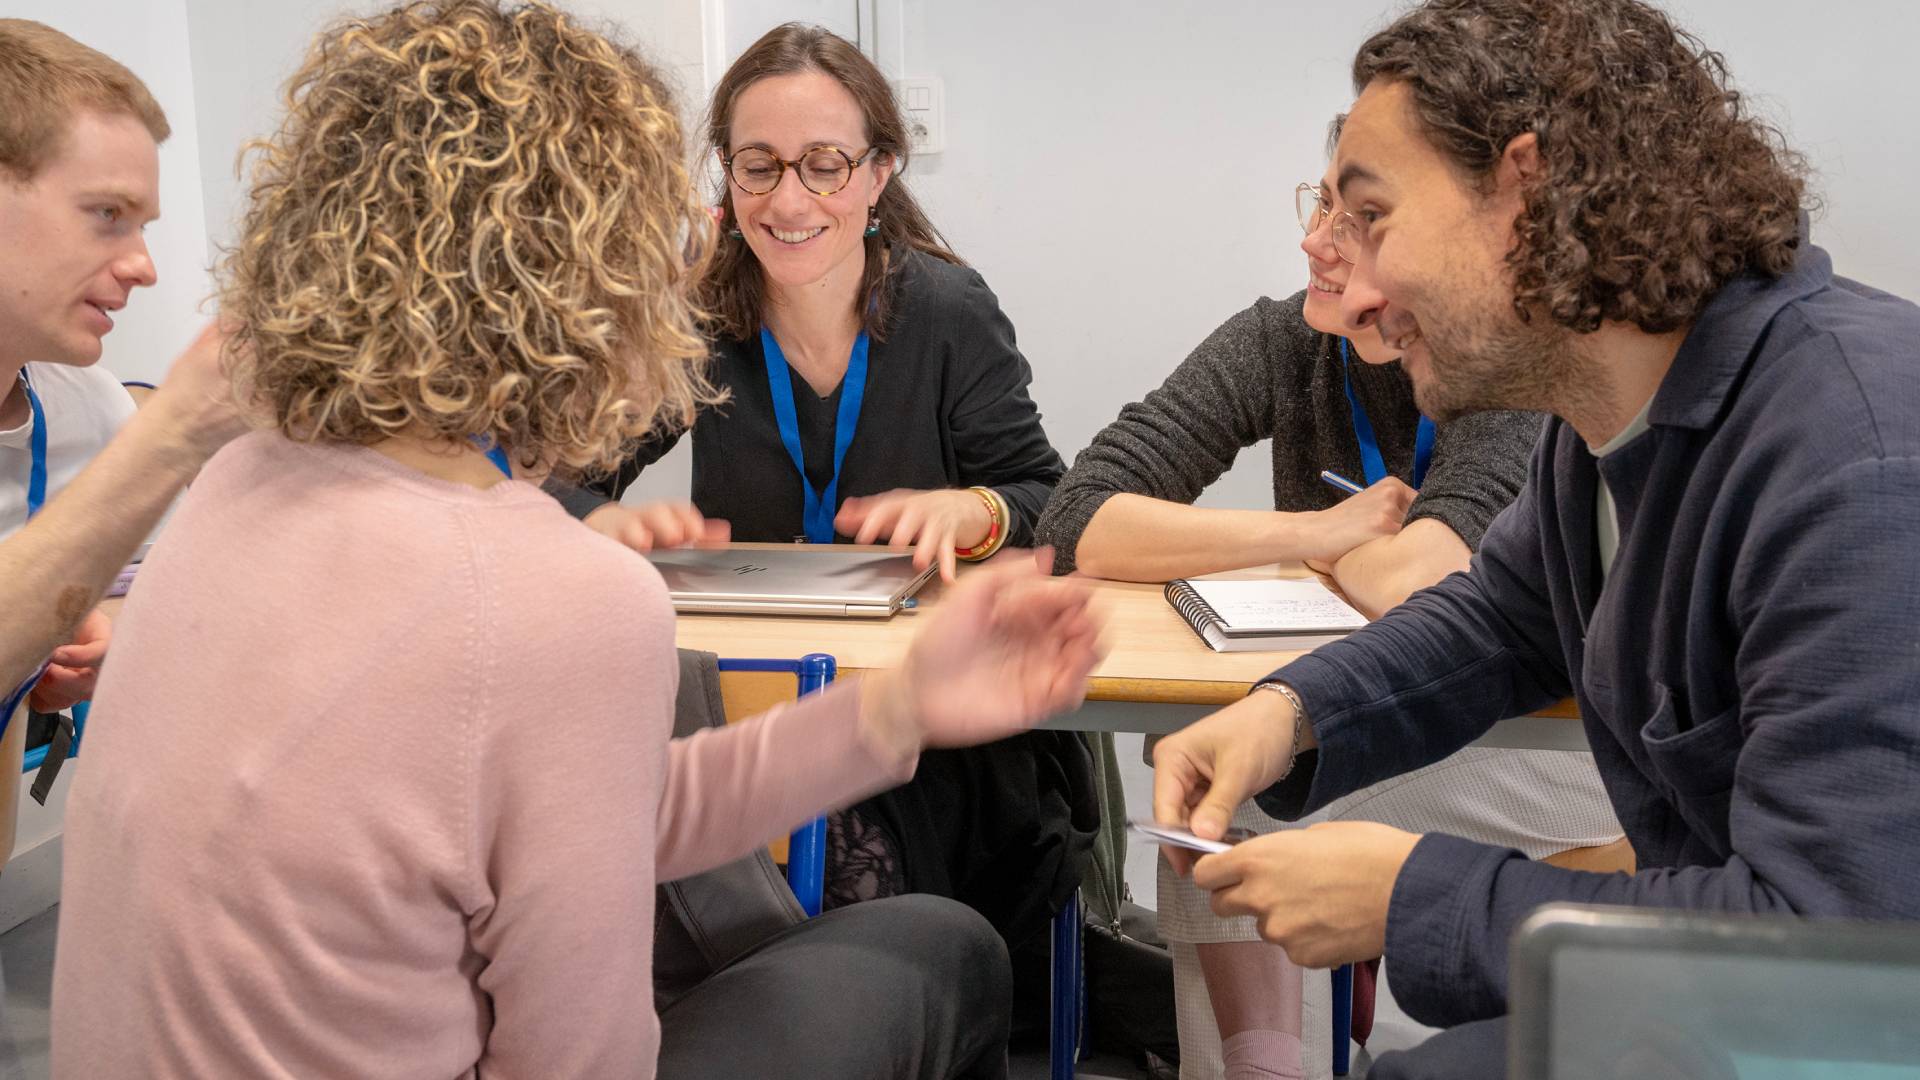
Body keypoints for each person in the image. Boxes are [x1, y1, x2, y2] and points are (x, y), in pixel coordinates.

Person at [48, 4, 1103, 1078]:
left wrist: (895, 705)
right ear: (599, 274)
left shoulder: (229, 485)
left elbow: (598, 815)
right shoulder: (560, 598)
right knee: (945, 946)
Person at [1151, 1, 1920, 1077]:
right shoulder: (1603, 427)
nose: (1355, 294)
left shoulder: (1859, 461)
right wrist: (1289, 715)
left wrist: (1409, 895)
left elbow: (1838, 954)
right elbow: (1498, 624)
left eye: (1372, 217)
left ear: (1528, 189)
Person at [1036, 128, 1619, 1080]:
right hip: (1385, 706)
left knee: (1238, 788)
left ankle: (1259, 1068)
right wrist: (1313, 533)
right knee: (1206, 755)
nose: (1317, 241)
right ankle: (1260, 1065)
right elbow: (1078, 520)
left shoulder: (1502, 355)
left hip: (1551, 750)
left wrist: (1368, 551)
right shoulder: (1287, 339)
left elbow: (1430, 581)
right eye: (1321, 205)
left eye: (1361, 219)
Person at [555, 22, 1091, 971]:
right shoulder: (696, 320)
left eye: (825, 165)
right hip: (751, 703)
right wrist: (602, 517)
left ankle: (836, 1003)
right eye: (757, 167)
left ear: (879, 174)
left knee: (834, 890)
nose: (789, 199)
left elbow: (1050, 494)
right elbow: (552, 483)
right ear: (727, 177)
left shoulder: (948, 312)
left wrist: (976, 511)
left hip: (928, 720)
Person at [0, 19, 244, 859]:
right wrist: (172, 435)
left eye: (143, 224)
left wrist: (94, 625)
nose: (144, 264)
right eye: (107, 215)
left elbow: (114, 585)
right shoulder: (143, 437)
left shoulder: (89, 409)